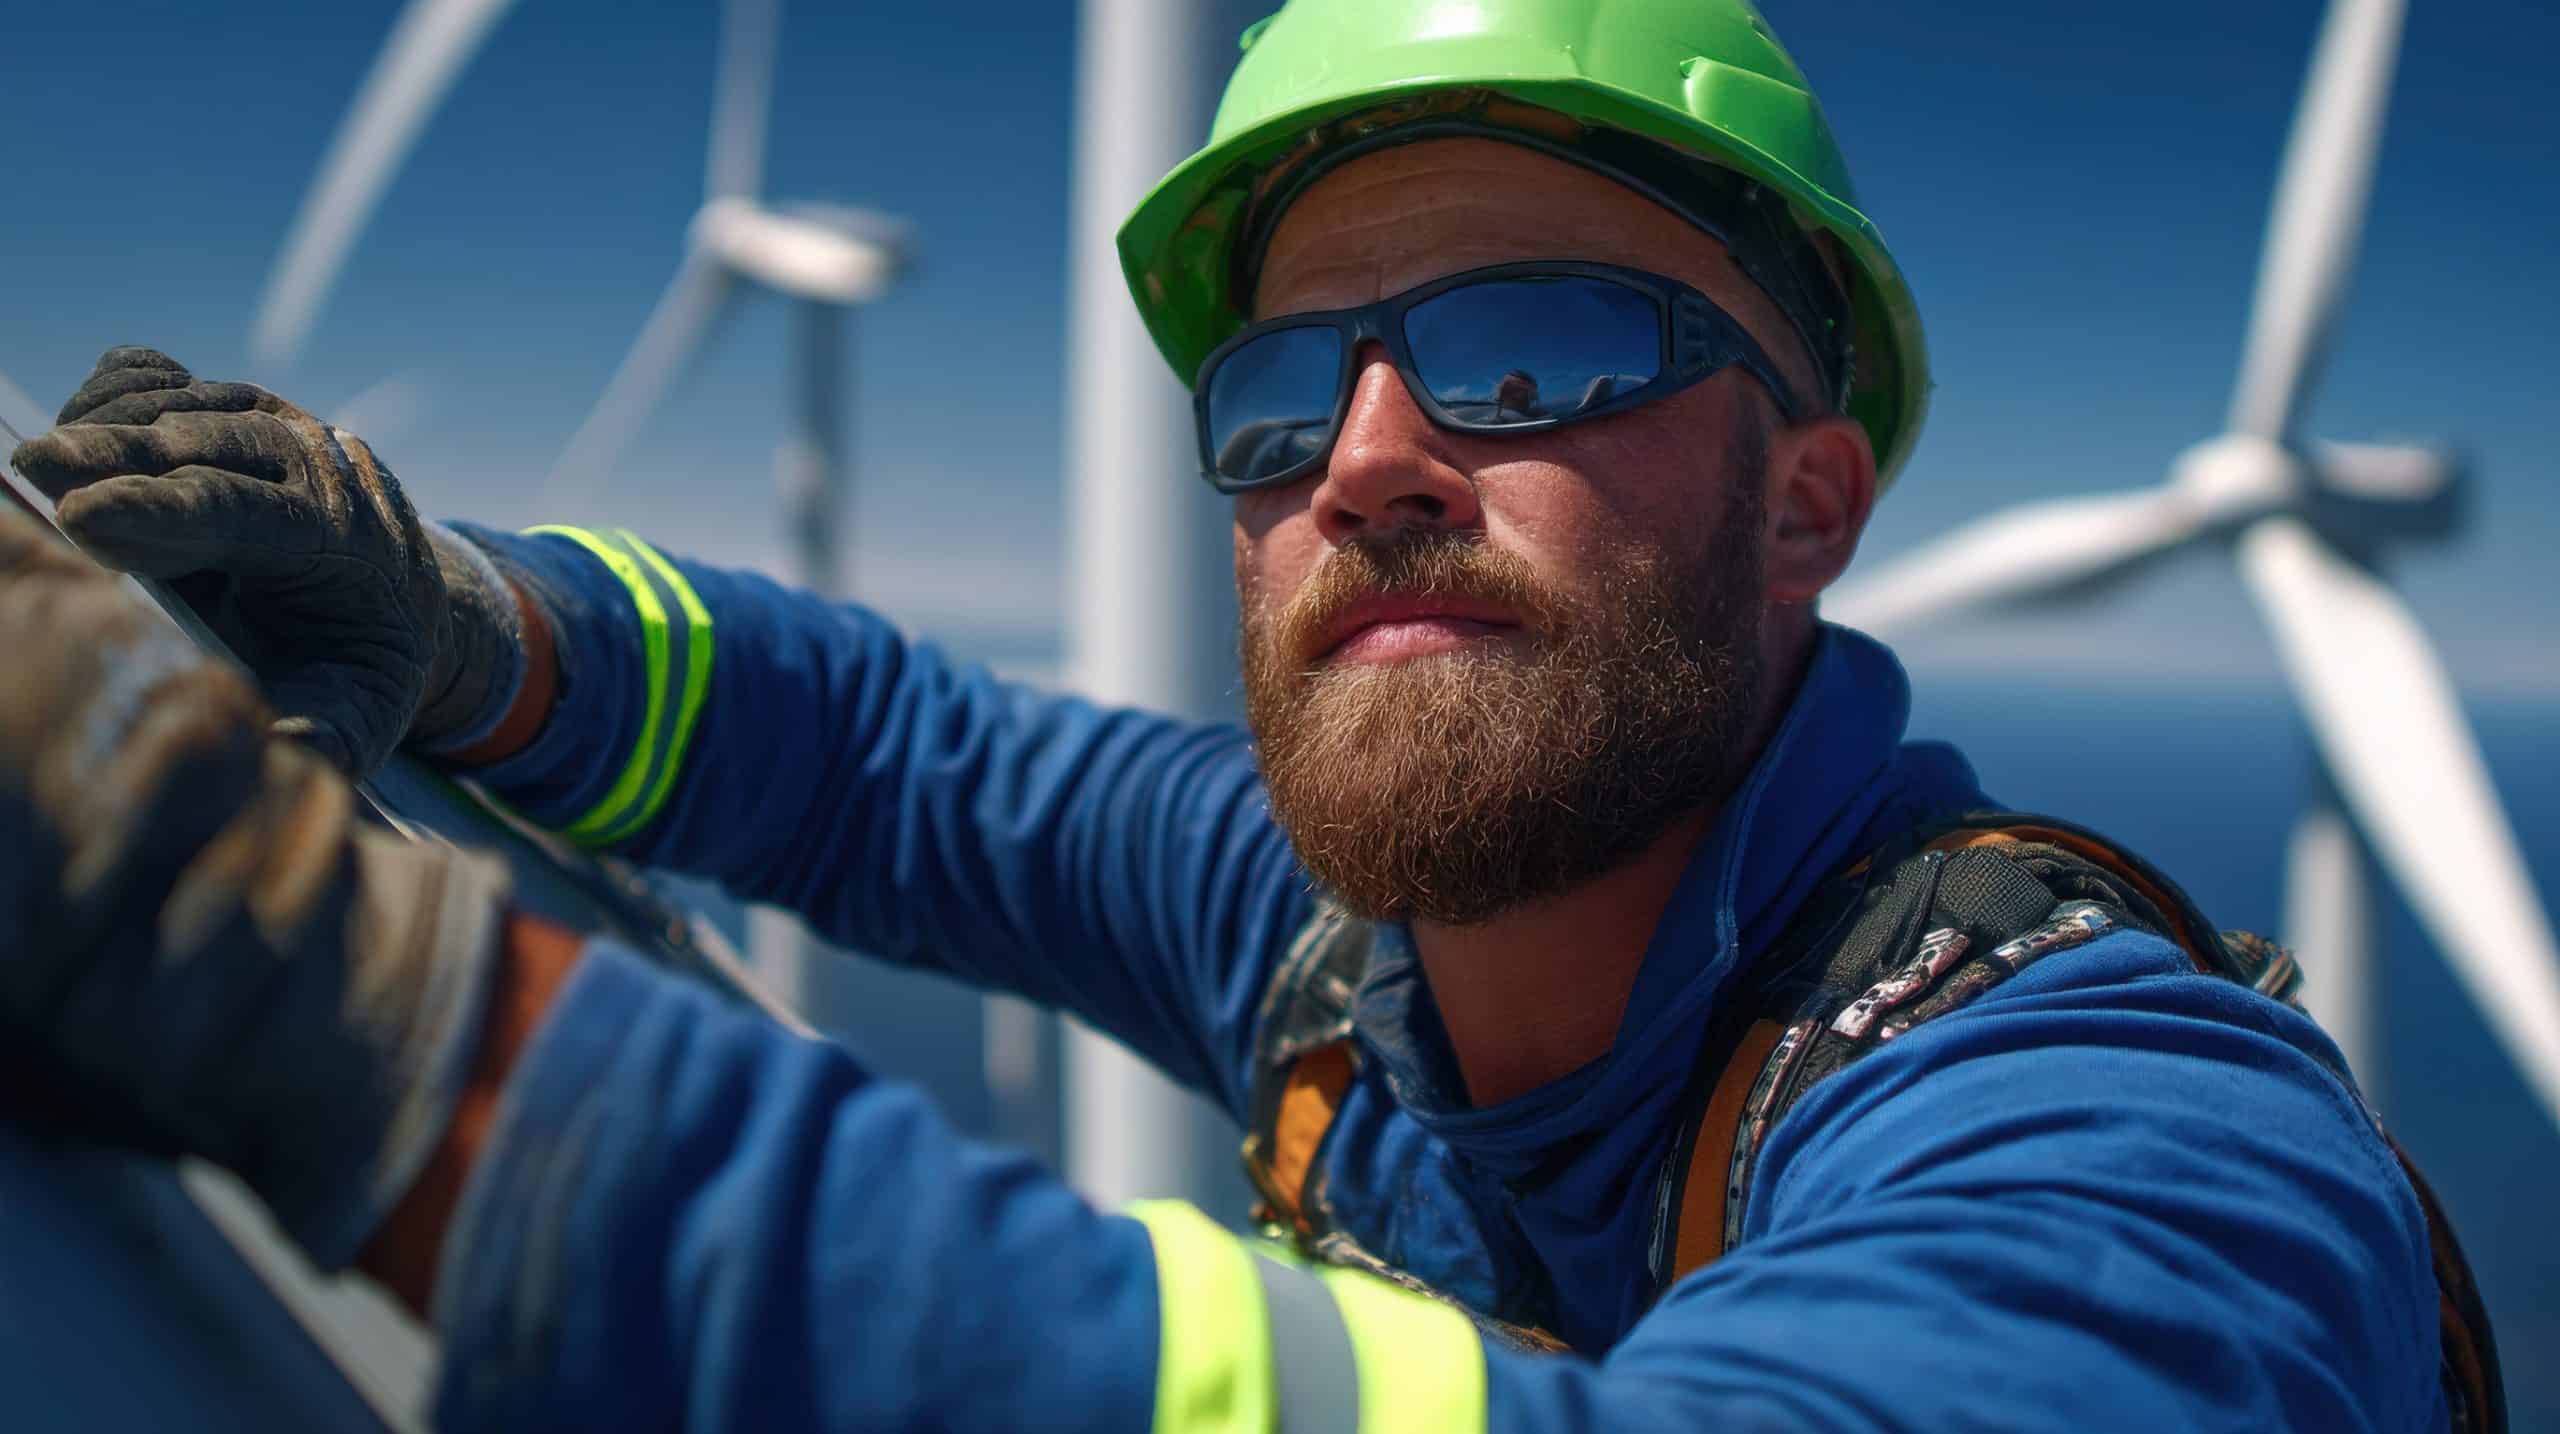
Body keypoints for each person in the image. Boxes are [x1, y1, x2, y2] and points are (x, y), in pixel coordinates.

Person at [0, 1, 2487, 1429]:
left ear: (1804, 503)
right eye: (1278, 400)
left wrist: (360, 1003)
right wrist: (468, 627)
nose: (1372, 461)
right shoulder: (1342, 944)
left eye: (1539, 350)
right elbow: (887, 760)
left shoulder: (2126, 1129)